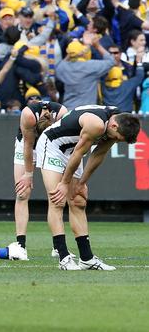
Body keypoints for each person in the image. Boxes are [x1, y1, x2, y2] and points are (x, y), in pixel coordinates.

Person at [37, 105, 141, 270]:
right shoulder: (97, 124)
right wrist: (64, 183)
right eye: (119, 138)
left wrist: (81, 183)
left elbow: (98, 153)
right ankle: (64, 258)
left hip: (73, 150)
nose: (117, 140)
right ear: (114, 126)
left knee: (78, 201)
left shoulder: (116, 122)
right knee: (57, 200)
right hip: (53, 146)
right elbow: (79, 153)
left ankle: (87, 259)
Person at [12, 99, 67, 257]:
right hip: (26, 145)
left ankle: (58, 246)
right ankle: (20, 245)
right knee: (22, 193)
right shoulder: (29, 115)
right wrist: (28, 174)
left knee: (55, 195)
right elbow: (28, 146)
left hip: (52, 146)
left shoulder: (62, 114)